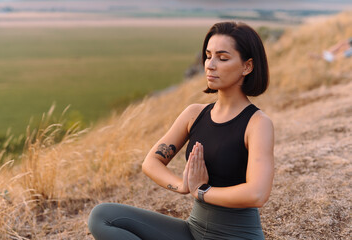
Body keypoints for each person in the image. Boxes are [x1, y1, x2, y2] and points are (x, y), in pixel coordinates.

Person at [88, 21, 274, 240]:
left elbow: (257, 194)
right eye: (208, 55)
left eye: (222, 58)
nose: (210, 65)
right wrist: (183, 185)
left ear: (247, 66)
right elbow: (151, 162)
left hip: (235, 236)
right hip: (193, 232)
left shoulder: (257, 123)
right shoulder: (194, 114)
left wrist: (202, 192)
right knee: (103, 216)